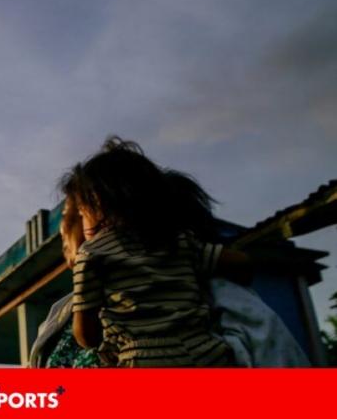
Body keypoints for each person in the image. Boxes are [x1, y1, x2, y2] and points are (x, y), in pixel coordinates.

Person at [55, 136, 307, 367]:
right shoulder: (180, 244)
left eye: (77, 213)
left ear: (97, 209)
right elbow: (241, 264)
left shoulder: (93, 258)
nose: (64, 232)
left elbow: (86, 336)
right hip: (205, 357)